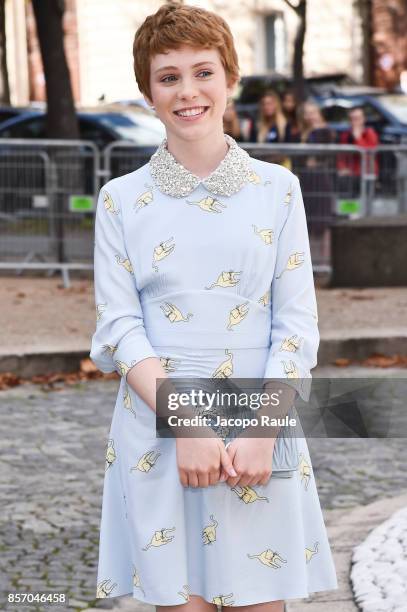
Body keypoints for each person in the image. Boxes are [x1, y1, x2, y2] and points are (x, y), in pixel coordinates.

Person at [90, 3, 338, 611]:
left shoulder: (278, 189)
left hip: (259, 423)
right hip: (161, 426)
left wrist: (262, 430)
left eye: (203, 71)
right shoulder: (121, 200)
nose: (187, 91)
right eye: (167, 76)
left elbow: (295, 326)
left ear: (230, 78)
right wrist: (189, 425)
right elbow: (120, 328)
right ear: (148, 93)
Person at [297, 100, 336, 260]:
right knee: (310, 222)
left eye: (313, 112)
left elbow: (324, 154)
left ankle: (323, 261)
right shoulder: (306, 132)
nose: (310, 116)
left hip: (320, 179)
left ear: (318, 113)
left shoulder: (324, 131)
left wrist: (313, 161)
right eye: (307, 113)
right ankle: (313, 262)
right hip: (308, 179)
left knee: (322, 222)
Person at [337, 105, 379, 197]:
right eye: (352, 119)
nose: (355, 121)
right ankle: (349, 211)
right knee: (348, 199)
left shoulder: (370, 133)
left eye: (357, 118)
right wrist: (342, 167)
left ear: (363, 119)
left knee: (365, 201)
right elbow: (342, 155)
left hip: (366, 174)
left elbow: (368, 153)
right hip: (349, 175)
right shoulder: (346, 135)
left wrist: (358, 137)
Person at [248, 89, 292, 169]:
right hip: (261, 165)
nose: (266, 107)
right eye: (264, 104)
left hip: (280, 166)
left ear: (276, 104)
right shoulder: (257, 124)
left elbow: (288, 147)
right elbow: (252, 146)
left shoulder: (285, 124)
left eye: (270, 103)